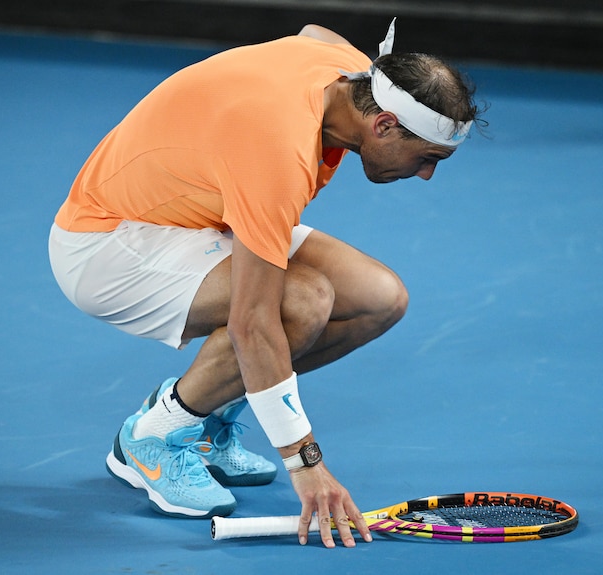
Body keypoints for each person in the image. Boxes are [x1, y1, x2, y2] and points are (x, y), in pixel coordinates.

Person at [48, 18, 479, 548]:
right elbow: (252, 323)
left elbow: (313, 33)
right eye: (429, 158)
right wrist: (306, 466)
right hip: (108, 246)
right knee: (301, 301)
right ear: (385, 124)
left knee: (379, 299)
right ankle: (153, 435)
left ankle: (205, 418)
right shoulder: (278, 148)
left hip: (197, 212)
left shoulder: (349, 74)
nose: (428, 174)